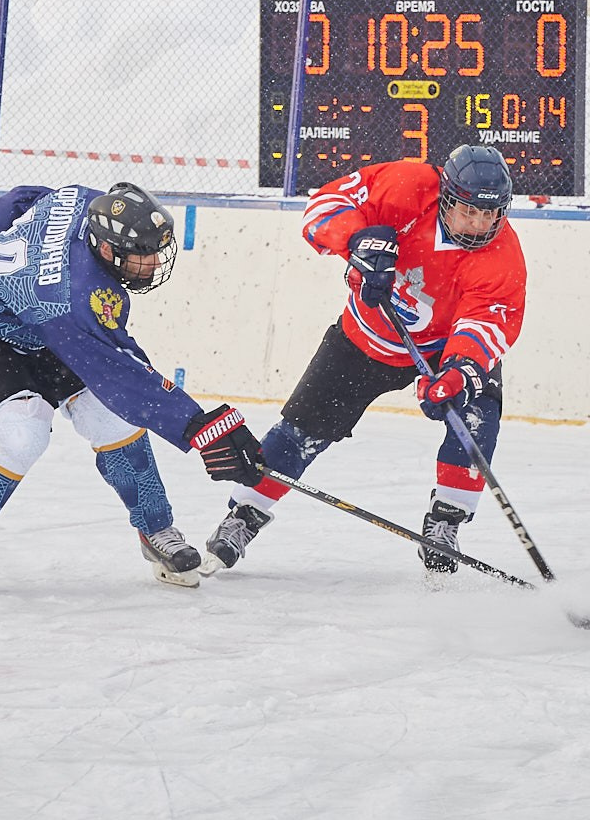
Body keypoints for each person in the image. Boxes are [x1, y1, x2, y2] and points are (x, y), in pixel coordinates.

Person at [0, 180, 266, 592]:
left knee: (106, 414)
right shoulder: (72, 296)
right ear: (105, 248)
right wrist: (200, 428)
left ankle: (156, 529)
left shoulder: (83, 201)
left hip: (32, 326)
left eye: (154, 252)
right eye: (141, 256)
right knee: (22, 426)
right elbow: (120, 374)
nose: (151, 263)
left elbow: (13, 204)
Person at [204, 144, 524, 581]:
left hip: (439, 352)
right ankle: (245, 514)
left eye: (492, 214)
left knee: (476, 416)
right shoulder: (406, 186)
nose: (481, 225)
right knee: (301, 430)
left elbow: (488, 321)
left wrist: (459, 371)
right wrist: (356, 240)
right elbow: (326, 205)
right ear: (447, 196)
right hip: (363, 340)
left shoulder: (501, 256)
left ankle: (445, 522)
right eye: (470, 211)